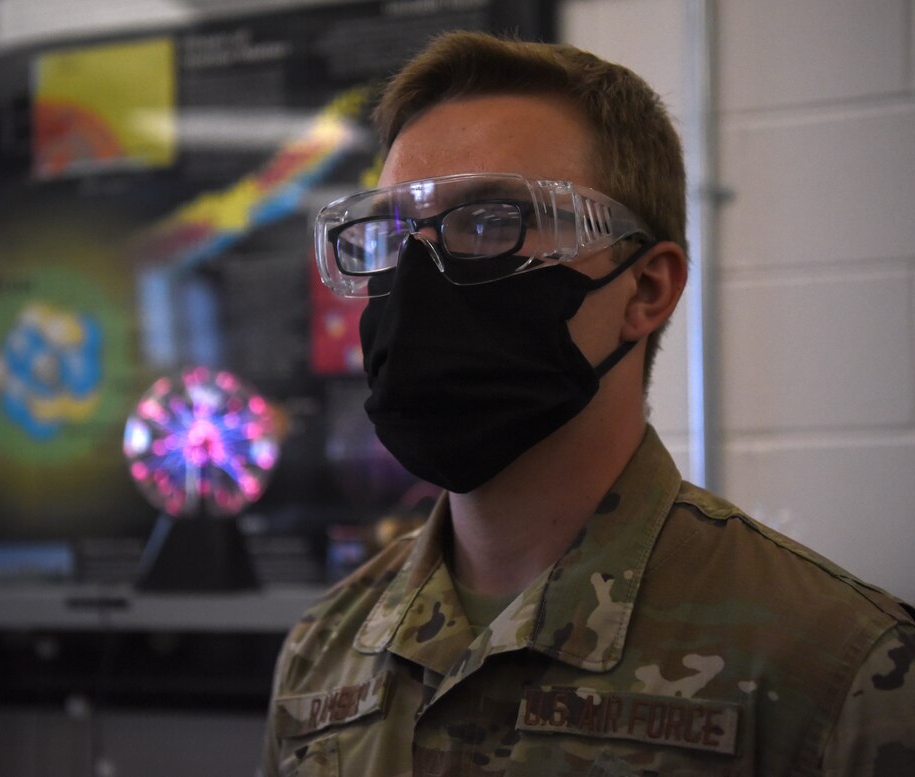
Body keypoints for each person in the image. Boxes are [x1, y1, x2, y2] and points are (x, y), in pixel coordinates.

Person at [259, 31, 915, 776]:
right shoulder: (323, 654)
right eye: (393, 235)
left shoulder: (835, 668)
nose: (417, 282)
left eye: (488, 223)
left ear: (645, 288)